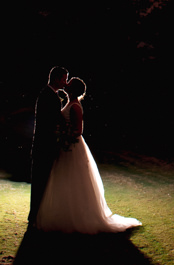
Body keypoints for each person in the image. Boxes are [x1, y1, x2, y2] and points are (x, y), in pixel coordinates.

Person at [34, 77, 141, 233]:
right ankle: (64, 213)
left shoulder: (76, 106)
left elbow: (78, 130)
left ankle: (78, 216)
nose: (65, 84)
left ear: (72, 89)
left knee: (74, 180)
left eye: (68, 84)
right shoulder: (69, 103)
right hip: (66, 147)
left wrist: (64, 136)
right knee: (64, 179)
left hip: (72, 147)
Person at [29, 65, 70, 223]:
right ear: (57, 78)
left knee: (43, 183)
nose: (65, 83)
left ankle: (38, 215)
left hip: (44, 146)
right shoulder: (48, 96)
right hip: (44, 146)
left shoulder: (50, 94)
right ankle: (35, 216)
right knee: (40, 182)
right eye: (64, 79)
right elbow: (50, 123)